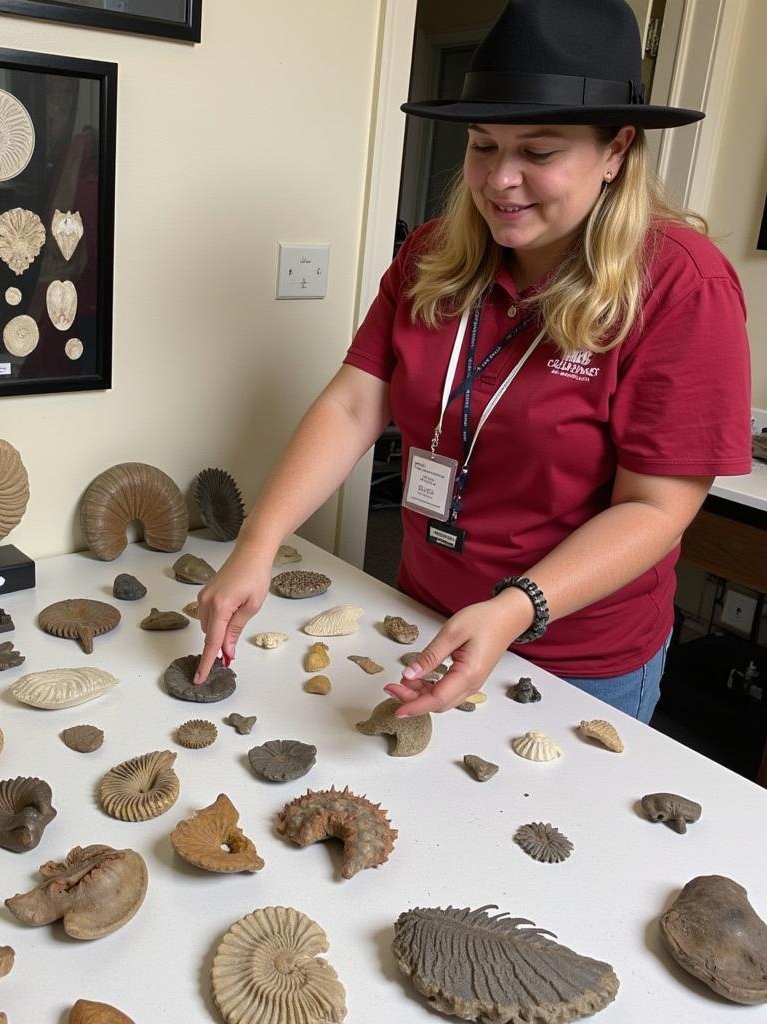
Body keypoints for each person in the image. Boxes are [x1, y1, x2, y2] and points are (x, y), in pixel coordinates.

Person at [194, 0, 751, 723]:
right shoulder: (433, 252)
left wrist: (517, 608)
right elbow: (356, 403)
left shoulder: (682, 285)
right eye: (483, 145)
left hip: (573, 658)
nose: (499, 179)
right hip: (423, 613)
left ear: (616, 150)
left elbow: (657, 508)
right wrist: (258, 542)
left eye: (539, 152)